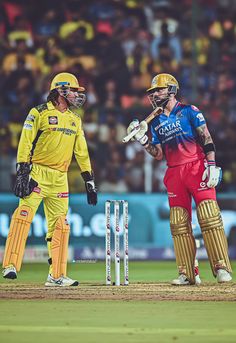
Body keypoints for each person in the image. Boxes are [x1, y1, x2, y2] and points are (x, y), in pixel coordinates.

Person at [127, 73, 232, 285]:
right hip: (174, 172)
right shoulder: (155, 121)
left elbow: (207, 138)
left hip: (197, 167)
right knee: (178, 223)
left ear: (172, 90)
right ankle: (187, 272)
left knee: (209, 217)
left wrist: (211, 165)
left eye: (159, 90)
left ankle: (221, 267)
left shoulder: (189, 111)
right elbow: (157, 154)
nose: (155, 94)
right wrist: (142, 138)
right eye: (153, 91)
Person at [2, 72, 97, 287]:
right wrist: (23, 171)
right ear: (60, 90)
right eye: (73, 90)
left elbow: (81, 152)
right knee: (23, 216)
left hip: (60, 178)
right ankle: (10, 265)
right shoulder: (39, 113)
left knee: (61, 226)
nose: (76, 95)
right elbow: (25, 142)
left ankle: (56, 275)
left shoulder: (75, 119)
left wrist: (89, 179)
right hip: (37, 173)